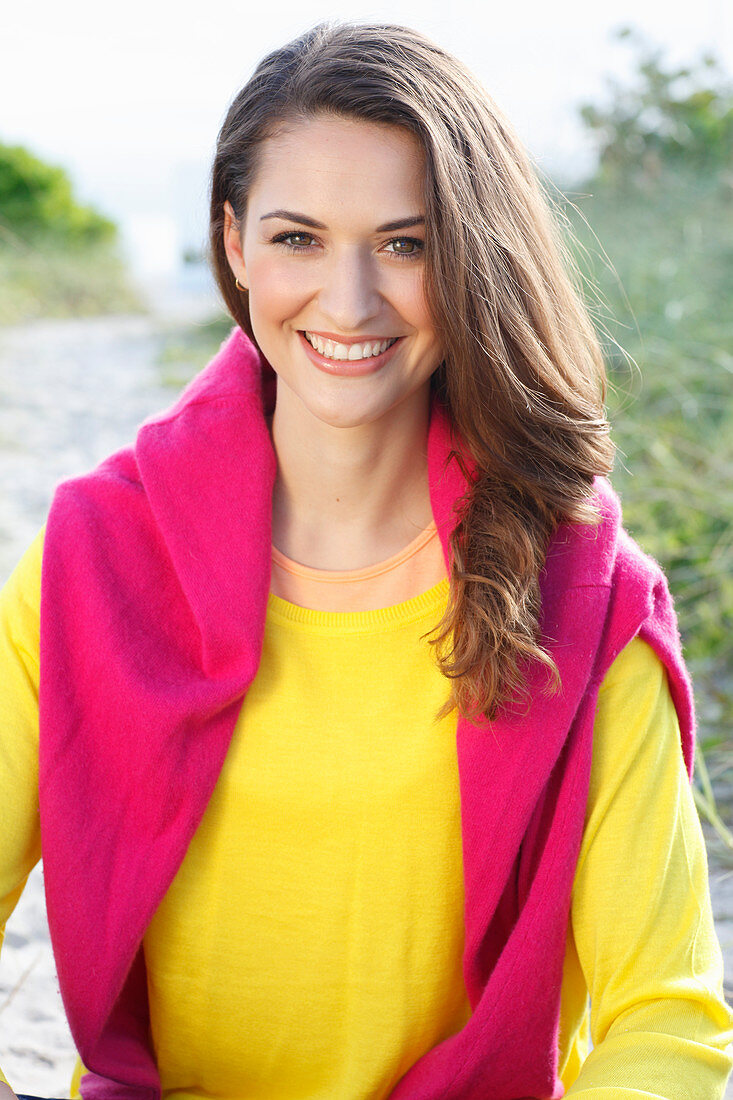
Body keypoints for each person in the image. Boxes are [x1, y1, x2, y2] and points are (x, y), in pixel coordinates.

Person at [1, 19, 732, 1100]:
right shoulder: (90, 561)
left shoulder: (586, 595)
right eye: (298, 237)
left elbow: (664, 1020)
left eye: (405, 243)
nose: (347, 303)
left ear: (470, 256)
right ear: (234, 240)